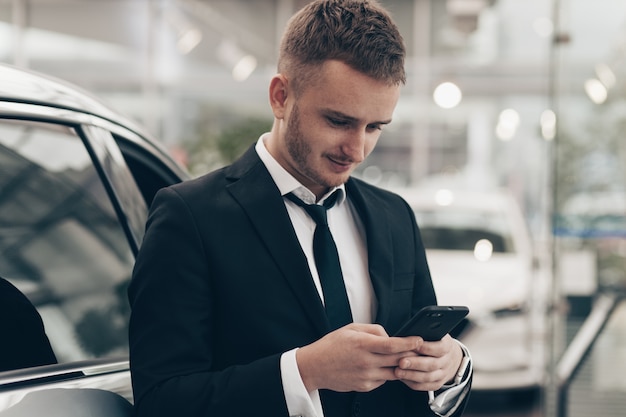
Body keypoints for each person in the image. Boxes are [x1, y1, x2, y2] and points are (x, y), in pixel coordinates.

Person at [128, 1, 472, 416]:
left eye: (375, 127)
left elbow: (422, 369)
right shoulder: (190, 217)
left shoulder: (395, 215)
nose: (358, 149)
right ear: (280, 97)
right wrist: (304, 371)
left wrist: (450, 366)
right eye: (339, 121)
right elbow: (162, 400)